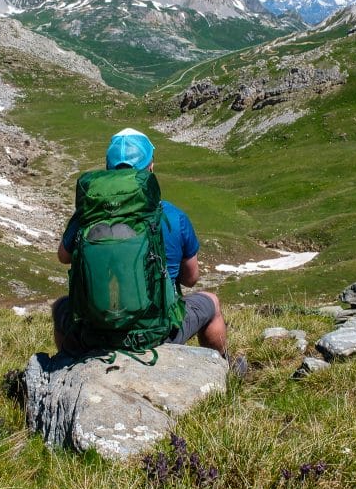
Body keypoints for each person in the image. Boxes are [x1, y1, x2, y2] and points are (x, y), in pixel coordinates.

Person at [52, 128, 228, 357]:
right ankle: (226, 366)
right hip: (158, 332)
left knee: (59, 307)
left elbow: (63, 257)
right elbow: (191, 278)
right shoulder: (173, 215)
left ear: (108, 168)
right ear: (150, 166)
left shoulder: (86, 216)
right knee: (212, 303)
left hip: (96, 332)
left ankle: (71, 360)